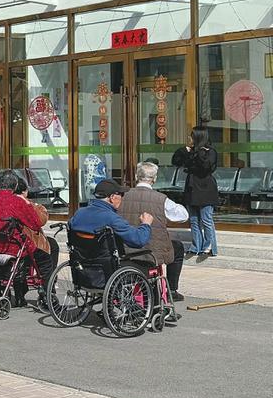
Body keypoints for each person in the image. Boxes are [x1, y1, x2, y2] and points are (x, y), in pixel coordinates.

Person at [0, 170, 56, 306]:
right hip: (11, 247)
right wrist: (30, 205)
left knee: (22, 253)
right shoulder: (17, 202)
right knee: (45, 260)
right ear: (15, 186)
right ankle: (47, 295)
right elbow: (35, 223)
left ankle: (8, 291)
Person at [121, 162, 189, 301]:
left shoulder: (123, 196)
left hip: (126, 247)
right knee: (177, 247)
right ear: (155, 179)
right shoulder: (161, 199)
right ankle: (171, 290)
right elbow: (183, 215)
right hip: (152, 250)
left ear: (136, 176)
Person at [172, 126, 219, 256]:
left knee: (206, 219)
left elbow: (205, 167)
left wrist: (198, 152)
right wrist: (184, 150)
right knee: (193, 219)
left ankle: (209, 246)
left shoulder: (210, 152)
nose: (189, 138)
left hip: (206, 188)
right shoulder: (190, 151)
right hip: (192, 187)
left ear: (198, 137)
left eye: (192, 136)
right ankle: (196, 246)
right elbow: (176, 161)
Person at [68, 179, 154, 248]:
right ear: (112, 197)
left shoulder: (79, 213)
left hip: (81, 260)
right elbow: (138, 241)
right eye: (121, 194)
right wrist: (145, 224)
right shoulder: (112, 218)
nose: (122, 198)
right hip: (106, 262)